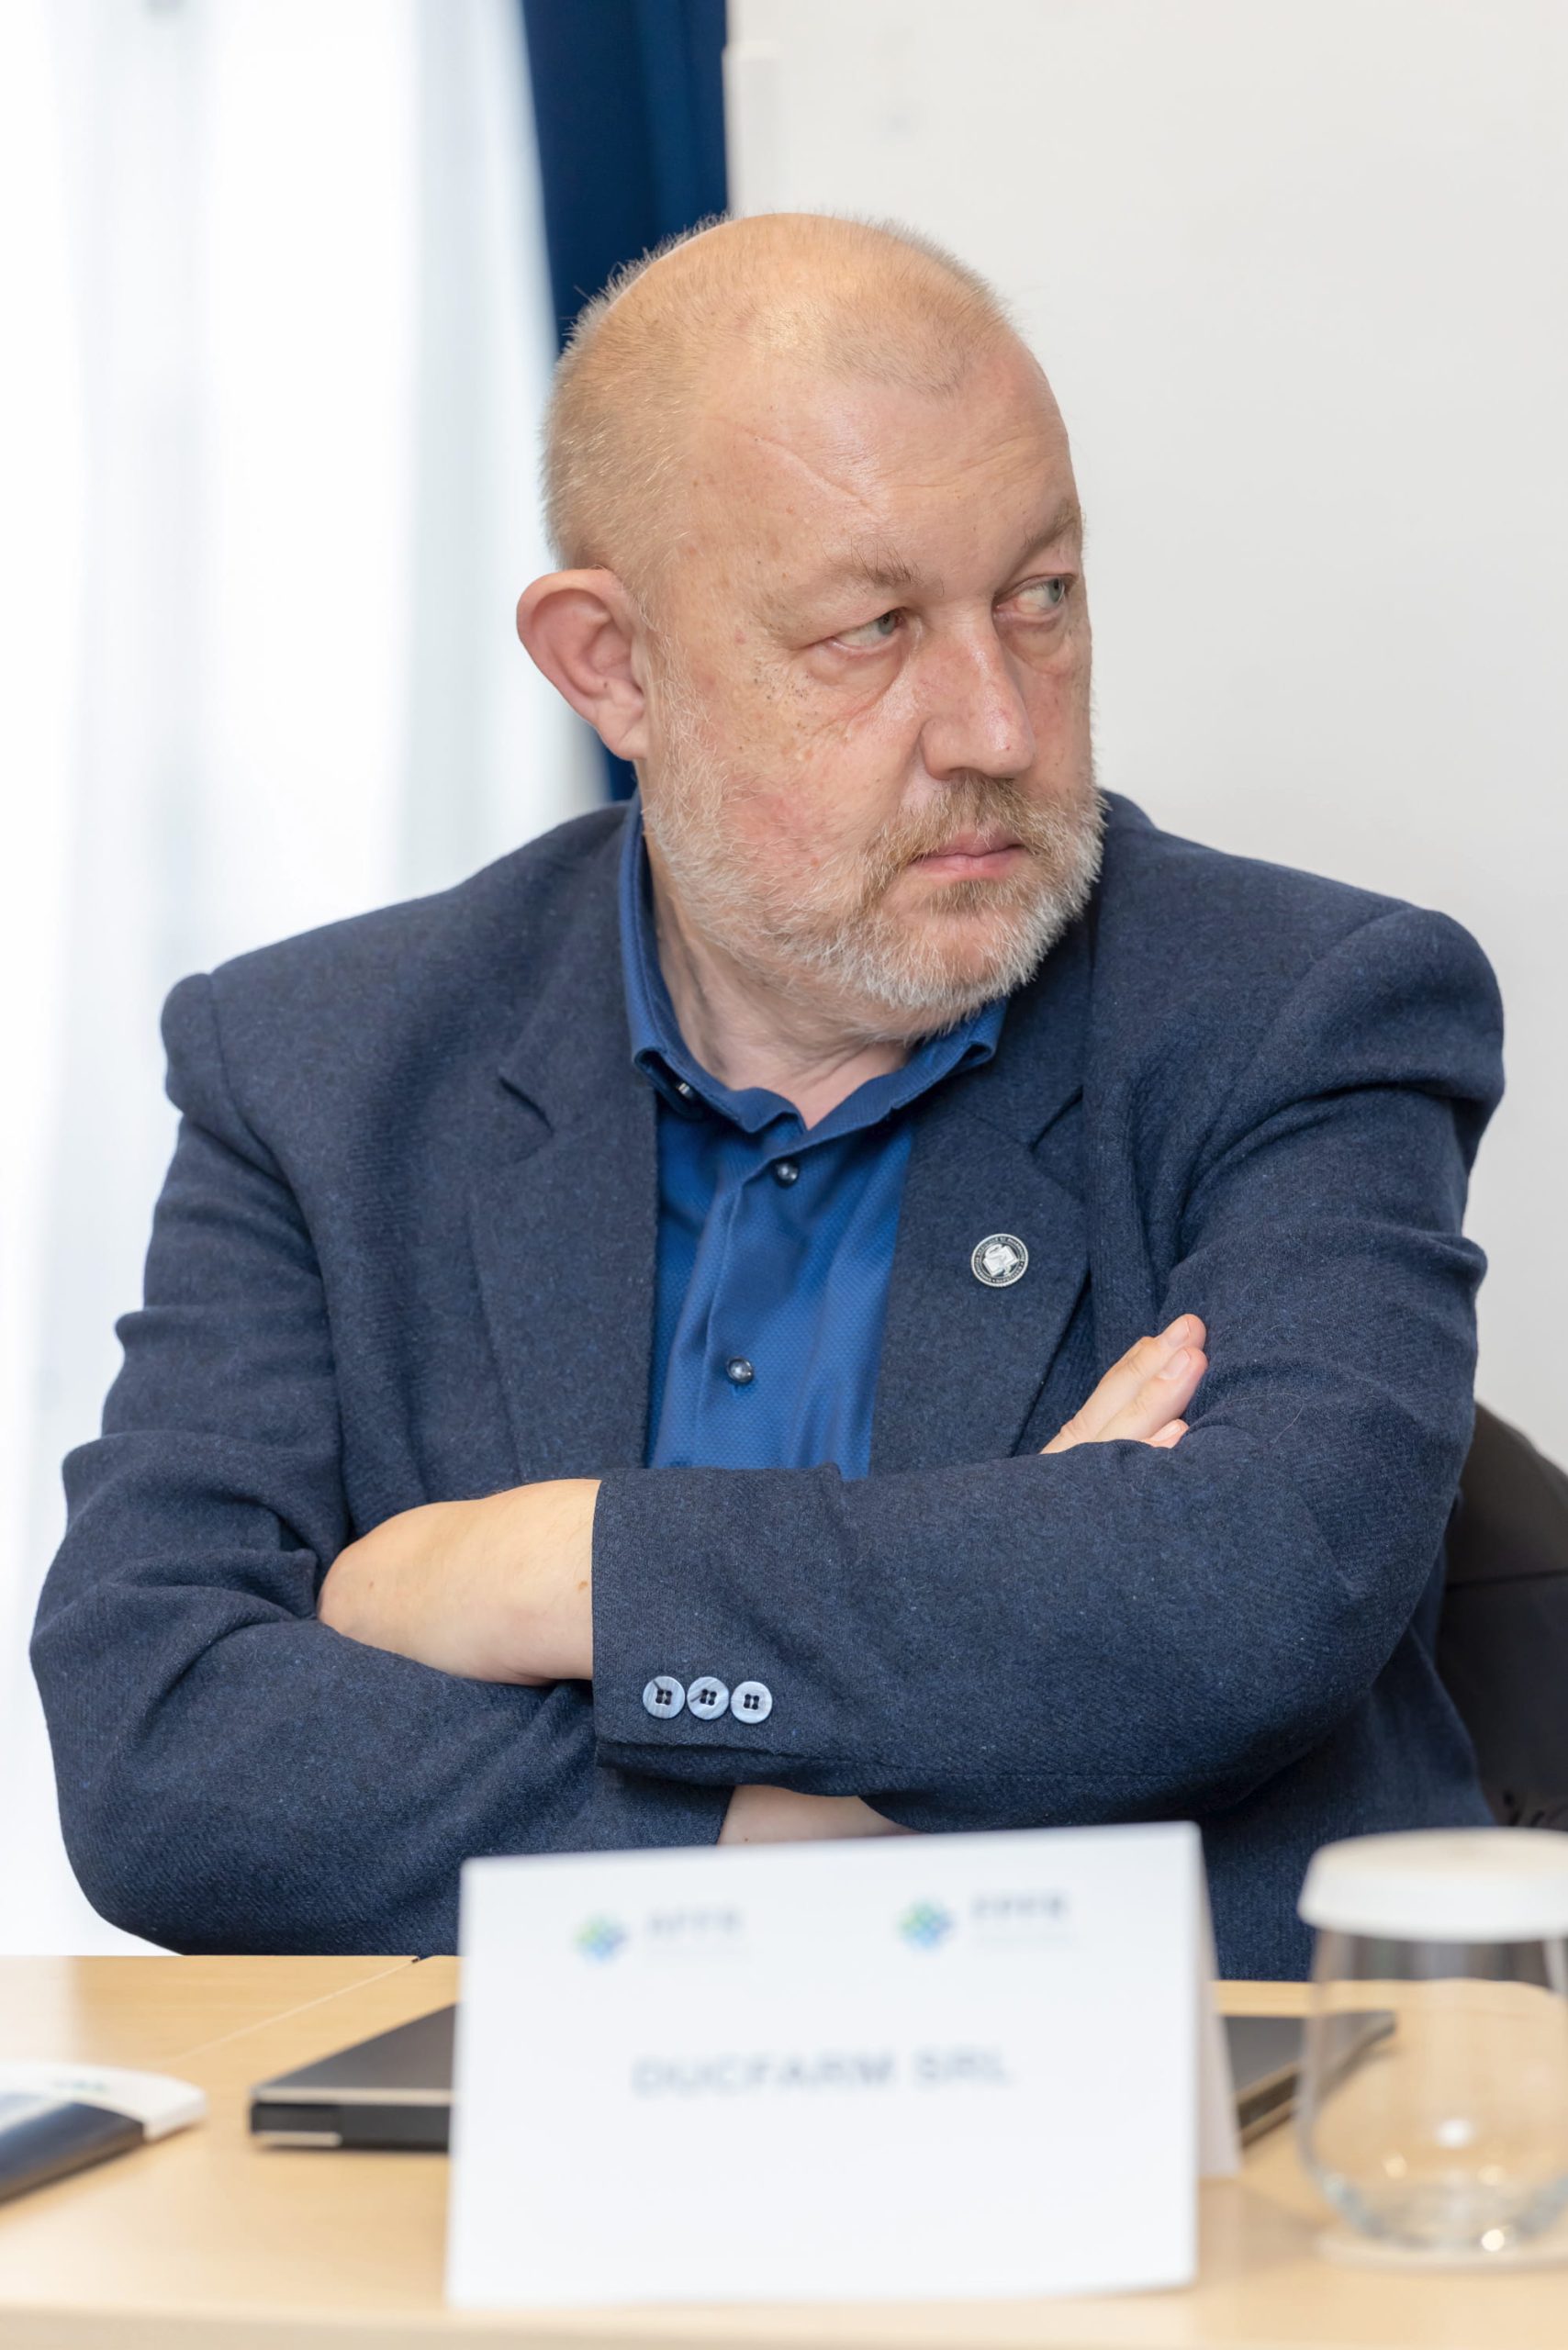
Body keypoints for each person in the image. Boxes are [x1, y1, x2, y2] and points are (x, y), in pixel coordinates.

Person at [31, 214, 1503, 1976]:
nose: (997, 726)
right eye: (872, 629)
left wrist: (540, 1571)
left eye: (1039, 596)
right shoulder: (320, 1063)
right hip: (518, 2122)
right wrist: (847, 1800)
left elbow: (1246, 1601)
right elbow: (162, 1759)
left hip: (1183, 2098)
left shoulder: (1305, 1010)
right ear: (613, 666)